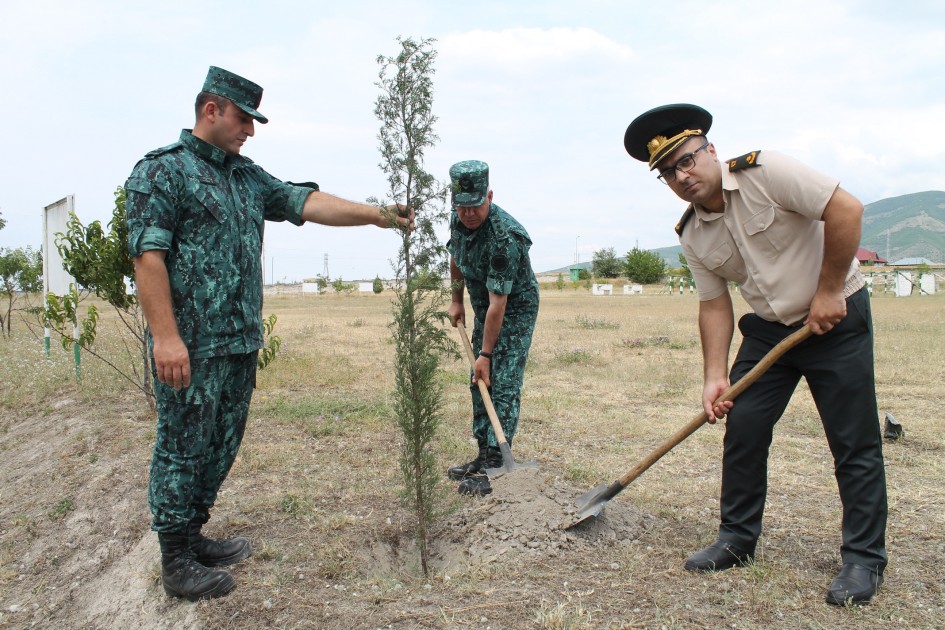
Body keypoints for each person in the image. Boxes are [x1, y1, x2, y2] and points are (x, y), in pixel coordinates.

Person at [125, 66, 412, 602]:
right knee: (181, 446)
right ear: (211, 110)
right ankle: (174, 559)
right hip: (189, 345)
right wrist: (166, 337)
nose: (250, 131)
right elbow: (148, 258)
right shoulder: (162, 173)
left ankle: (193, 534)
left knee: (221, 442)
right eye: (242, 118)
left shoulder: (246, 177)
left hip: (238, 341)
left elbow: (306, 202)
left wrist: (379, 216)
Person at [623, 104, 888, 605]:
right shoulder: (692, 233)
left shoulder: (767, 172)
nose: (681, 176)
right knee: (742, 428)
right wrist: (713, 376)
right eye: (668, 173)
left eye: (686, 160)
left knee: (853, 442)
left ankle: (863, 560)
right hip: (770, 333)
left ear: (711, 152)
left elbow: (846, 209)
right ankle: (737, 540)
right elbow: (714, 303)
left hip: (834, 319)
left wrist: (829, 290)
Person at [445, 160, 539, 496]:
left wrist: (486, 353)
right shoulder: (458, 218)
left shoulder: (504, 236)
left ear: (490, 195)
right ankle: (483, 455)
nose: (468, 214)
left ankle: (499, 461)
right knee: (478, 379)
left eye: (476, 206)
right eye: (462, 207)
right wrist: (457, 300)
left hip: (513, 307)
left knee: (501, 378)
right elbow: (456, 255)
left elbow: (499, 303)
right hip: (484, 304)